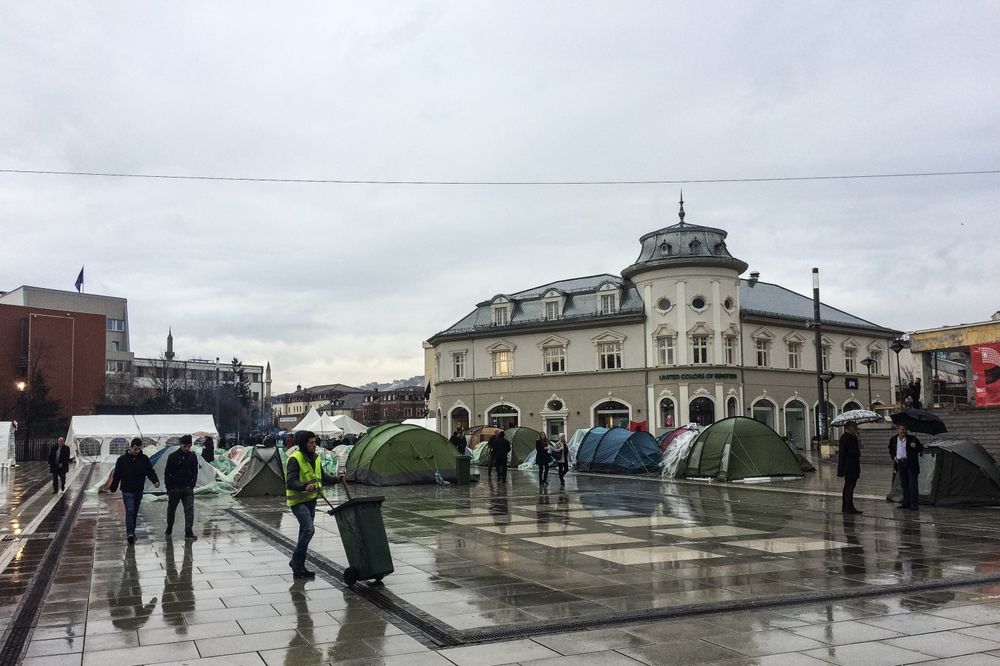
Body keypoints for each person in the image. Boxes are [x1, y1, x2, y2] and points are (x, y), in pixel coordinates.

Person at [285, 429, 339, 578]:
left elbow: (322, 476)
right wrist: (304, 486)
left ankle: (299, 566)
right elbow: (290, 482)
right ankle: (296, 561)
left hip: (311, 501)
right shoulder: (294, 459)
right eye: (311, 442)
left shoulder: (315, 457)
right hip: (298, 501)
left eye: (315, 442)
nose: (314, 445)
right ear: (303, 443)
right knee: (309, 530)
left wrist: (336, 479)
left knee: (304, 532)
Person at [109, 437, 160, 543]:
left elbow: (149, 471)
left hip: (138, 489)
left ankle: (132, 531)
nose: (137, 451)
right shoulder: (122, 460)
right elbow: (117, 474)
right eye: (135, 449)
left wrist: (155, 480)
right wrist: (113, 487)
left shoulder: (144, 459)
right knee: (130, 510)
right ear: (130, 447)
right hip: (127, 489)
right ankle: (130, 533)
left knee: (135, 511)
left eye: (139, 449)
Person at [164, 434, 199, 540]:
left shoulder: (193, 456)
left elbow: (195, 471)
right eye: (185, 446)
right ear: (180, 445)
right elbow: (167, 473)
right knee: (171, 510)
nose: (187, 449)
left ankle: (188, 531)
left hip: (187, 488)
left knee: (189, 510)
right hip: (175, 488)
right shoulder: (172, 456)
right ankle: (169, 527)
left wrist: (192, 484)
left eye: (189, 447)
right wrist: (169, 487)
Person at [889, 424, 923, 510]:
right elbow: (891, 449)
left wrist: (915, 446)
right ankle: (906, 502)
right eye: (901, 429)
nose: (903, 431)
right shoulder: (893, 439)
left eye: (904, 429)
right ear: (897, 430)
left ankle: (914, 504)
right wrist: (894, 456)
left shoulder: (912, 439)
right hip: (900, 463)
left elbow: (921, 448)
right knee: (904, 484)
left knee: (912, 485)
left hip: (911, 464)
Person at [837, 421, 862, 514]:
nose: (856, 428)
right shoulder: (846, 438)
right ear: (848, 427)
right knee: (849, 487)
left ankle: (848, 506)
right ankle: (847, 507)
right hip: (849, 466)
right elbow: (846, 453)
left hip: (853, 466)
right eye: (854, 426)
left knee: (850, 487)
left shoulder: (852, 437)